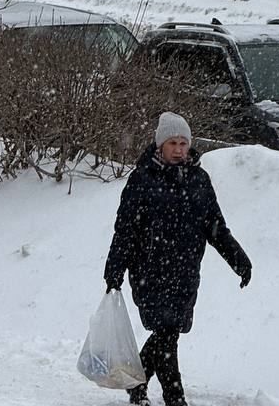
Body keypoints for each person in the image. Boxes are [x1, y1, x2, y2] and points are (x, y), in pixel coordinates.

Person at [103, 112, 252, 406]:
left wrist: (239, 260)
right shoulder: (142, 179)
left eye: (184, 143)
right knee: (167, 331)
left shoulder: (199, 180)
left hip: (185, 271)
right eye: (172, 143)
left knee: (168, 333)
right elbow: (125, 230)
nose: (179, 149)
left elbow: (215, 226)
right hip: (149, 270)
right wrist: (115, 269)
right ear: (160, 145)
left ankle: (137, 383)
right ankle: (174, 397)